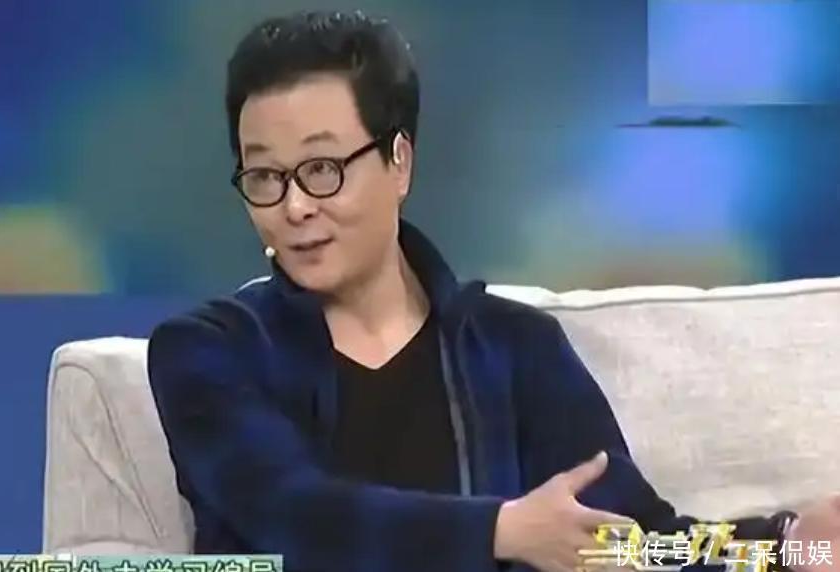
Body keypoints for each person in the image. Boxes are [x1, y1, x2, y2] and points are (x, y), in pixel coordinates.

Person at [147, 10, 840, 572]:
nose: (295, 206)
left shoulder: (512, 347)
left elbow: (628, 542)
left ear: (398, 162)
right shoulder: (208, 351)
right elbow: (292, 517)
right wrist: (503, 531)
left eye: (322, 169)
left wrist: (784, 547)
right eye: (266, 177)